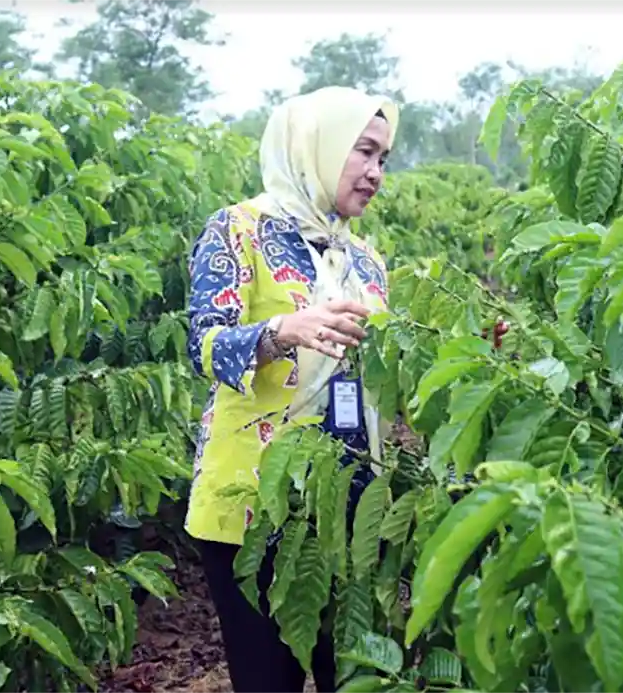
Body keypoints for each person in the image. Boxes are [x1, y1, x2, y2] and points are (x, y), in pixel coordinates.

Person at [183, 86, 398, 693]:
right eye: (364, 152)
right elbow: (204, 346)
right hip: (254, 504)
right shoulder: (238, 230)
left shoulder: (368, 261)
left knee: (355, 676)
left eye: (384, 158)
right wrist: (282, 331)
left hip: (351, 504)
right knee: (267, 679)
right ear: (317, 147)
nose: (375, 172)